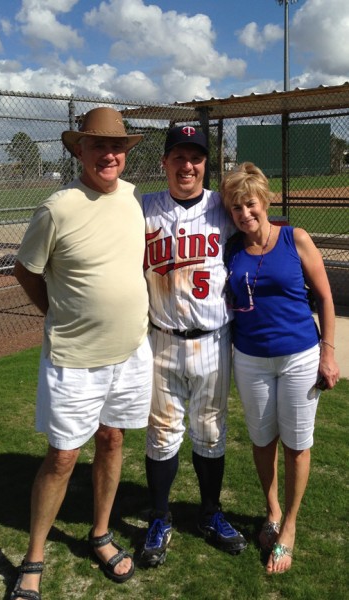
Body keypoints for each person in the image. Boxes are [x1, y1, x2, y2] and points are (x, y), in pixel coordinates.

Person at [11, 107, 153, 599]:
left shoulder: (134, 199)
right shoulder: (58, 207)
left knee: (112, 440)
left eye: (116, 147)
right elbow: (25, 270)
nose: (109, 154)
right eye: (98, 146)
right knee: (63, 457)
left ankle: (100, 534)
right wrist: (55, 313)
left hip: (132, 351)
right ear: (79, 151)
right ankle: (33, 557)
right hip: (75, 358)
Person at [221, 162, 340, 574]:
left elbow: (325, 299)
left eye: (249, 204)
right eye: (236, 207)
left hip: (299, 358)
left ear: (264, 201)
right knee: (262, 439)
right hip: (250, 359)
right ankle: (271, 510)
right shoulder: (232, 248)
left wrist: (328, 352)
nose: (244, 213)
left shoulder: (296, 239)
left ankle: (289, 525)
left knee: (296, 443)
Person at [141, 125, 247, 567]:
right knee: (162, 433)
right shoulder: (142, 209)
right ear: (164, 162)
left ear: (207, 163)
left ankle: (209, 513)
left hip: (212, 340)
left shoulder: (223, 211)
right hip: (161, 337)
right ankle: (160, 517)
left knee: (210, 429)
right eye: (179, 156)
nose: (188, 165)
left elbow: (260, 233)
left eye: (196, 157)